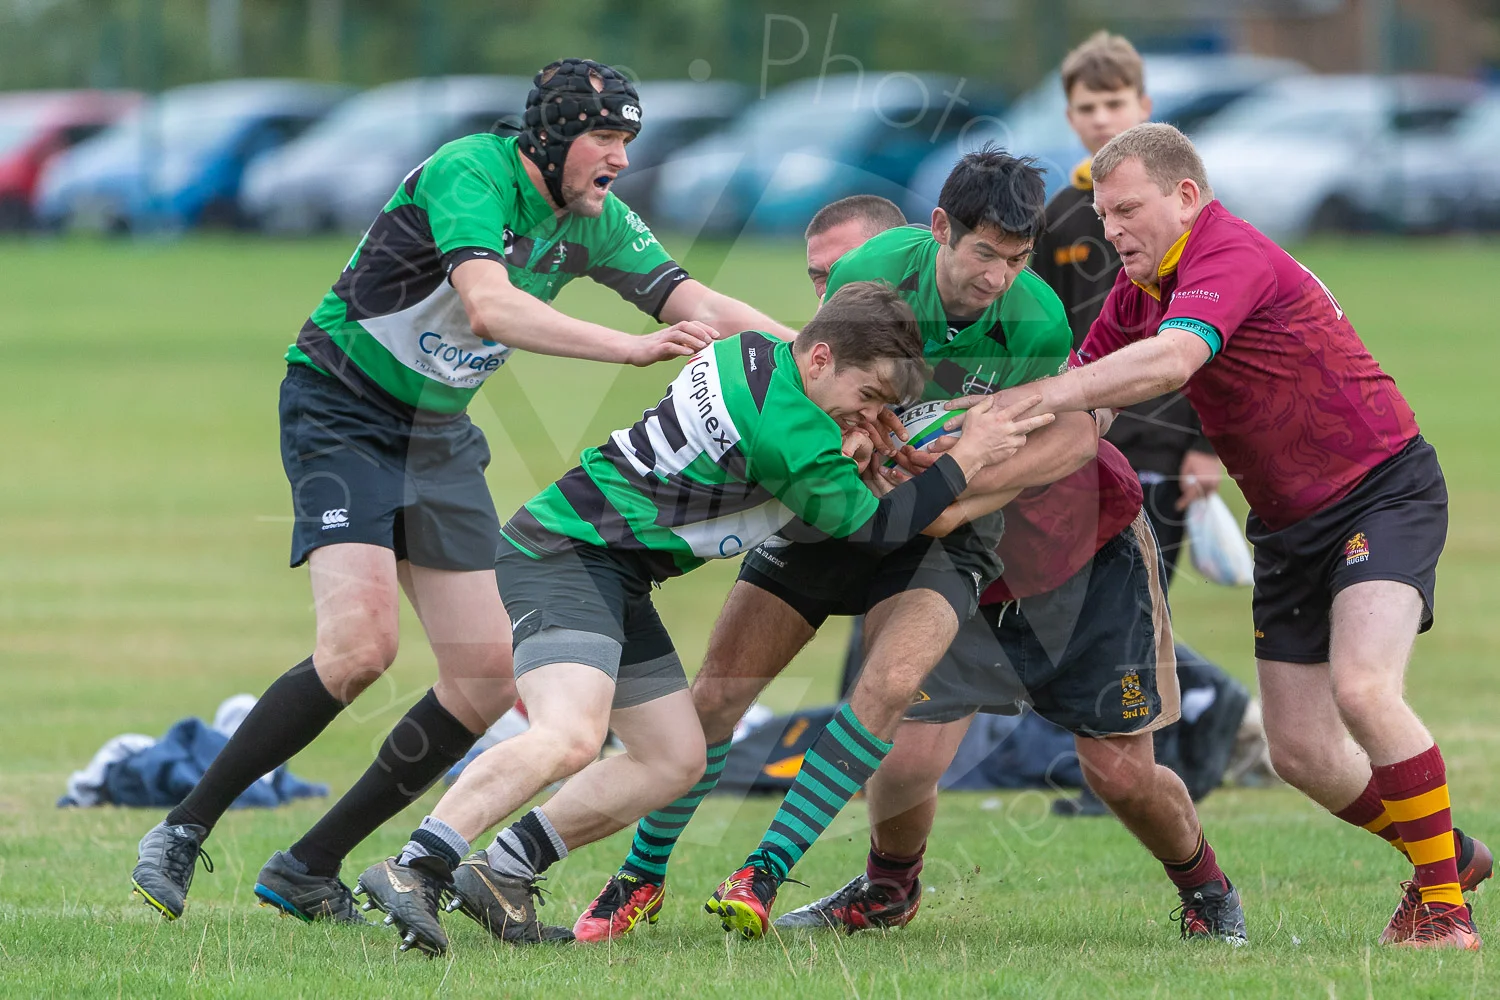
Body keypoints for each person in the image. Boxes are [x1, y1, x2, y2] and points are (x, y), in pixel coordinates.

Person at [128, 57, 801, 925]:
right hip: (342, 407)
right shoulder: (469, 173)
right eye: (606, 137)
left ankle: (308, 865)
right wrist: (625, 348)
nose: (622, 159)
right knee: (359, 650)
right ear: (553, 136)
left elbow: (691, 296)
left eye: (629, 140)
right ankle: (182, 830)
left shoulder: (594, 218)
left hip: (438, 436)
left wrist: (825, 356)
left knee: (485, 679)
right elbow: (489, 307)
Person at [353, 281, 1053, 956]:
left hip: (616, 571)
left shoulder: (750, 350)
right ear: (818, 358)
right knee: (570, 735)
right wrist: (965, 461)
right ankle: (418, 863)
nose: (864, 415)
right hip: (564, 554)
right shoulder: (792, 437)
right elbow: (880, 528)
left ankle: (504, 871)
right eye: (865, 396)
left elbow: (809, 441)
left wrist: (853, 431)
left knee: (676, 759)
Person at [546, 150, 1104, 946]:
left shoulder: (1039, 322)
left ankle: (764, 872)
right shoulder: (877, 268)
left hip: (949, 532)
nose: (996, 280)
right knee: (718, 696)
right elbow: (828, 396)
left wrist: (963, 487)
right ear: (939, 230)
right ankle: (639, 877)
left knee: (888, 685)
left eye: (1015, 261)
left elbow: (1053, 438)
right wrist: (871, 442)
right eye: (984, 255)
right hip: (842, 504)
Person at [971, 121, 1490, 950]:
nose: (1111, 232)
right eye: (1103, 215)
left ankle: (1444, 913)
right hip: (1287, 527)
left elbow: (1172, 362)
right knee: (1302, 753)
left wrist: (1036, 402)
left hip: (1382, 492)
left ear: (1185, 196)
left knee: (1363, 690)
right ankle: (1447, 856)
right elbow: (1088, 397)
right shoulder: (1139, 289)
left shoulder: (1228, 254)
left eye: (1127, 210)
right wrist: (975, 444)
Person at [770, 195, 1247, 944]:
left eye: (844, 274)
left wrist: (951, 496)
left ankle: (1207, 889)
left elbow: (1079, 436)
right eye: (817, 280)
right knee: (900, 754)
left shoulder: (1022, 324)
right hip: (957, 575)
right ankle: (887, 891)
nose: (831, 298)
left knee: (1119, 775)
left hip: (1079, 555)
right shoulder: (838, 363)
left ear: (906, 255)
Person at [1031, 31, 1247, 815]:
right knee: (1096, 605)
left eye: (1114, 104)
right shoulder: (1060, 214)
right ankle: (1174, 739)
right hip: (1089, 435)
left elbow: (1212, 343)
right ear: (1069, 115)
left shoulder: (1191, 219)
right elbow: (1054, 330)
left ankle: (1171, 748)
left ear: (1145, 108)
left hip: (1165, 437)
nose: (1099, 118)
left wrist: (1204, 447)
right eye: (1087, 107)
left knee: (1139, 613)